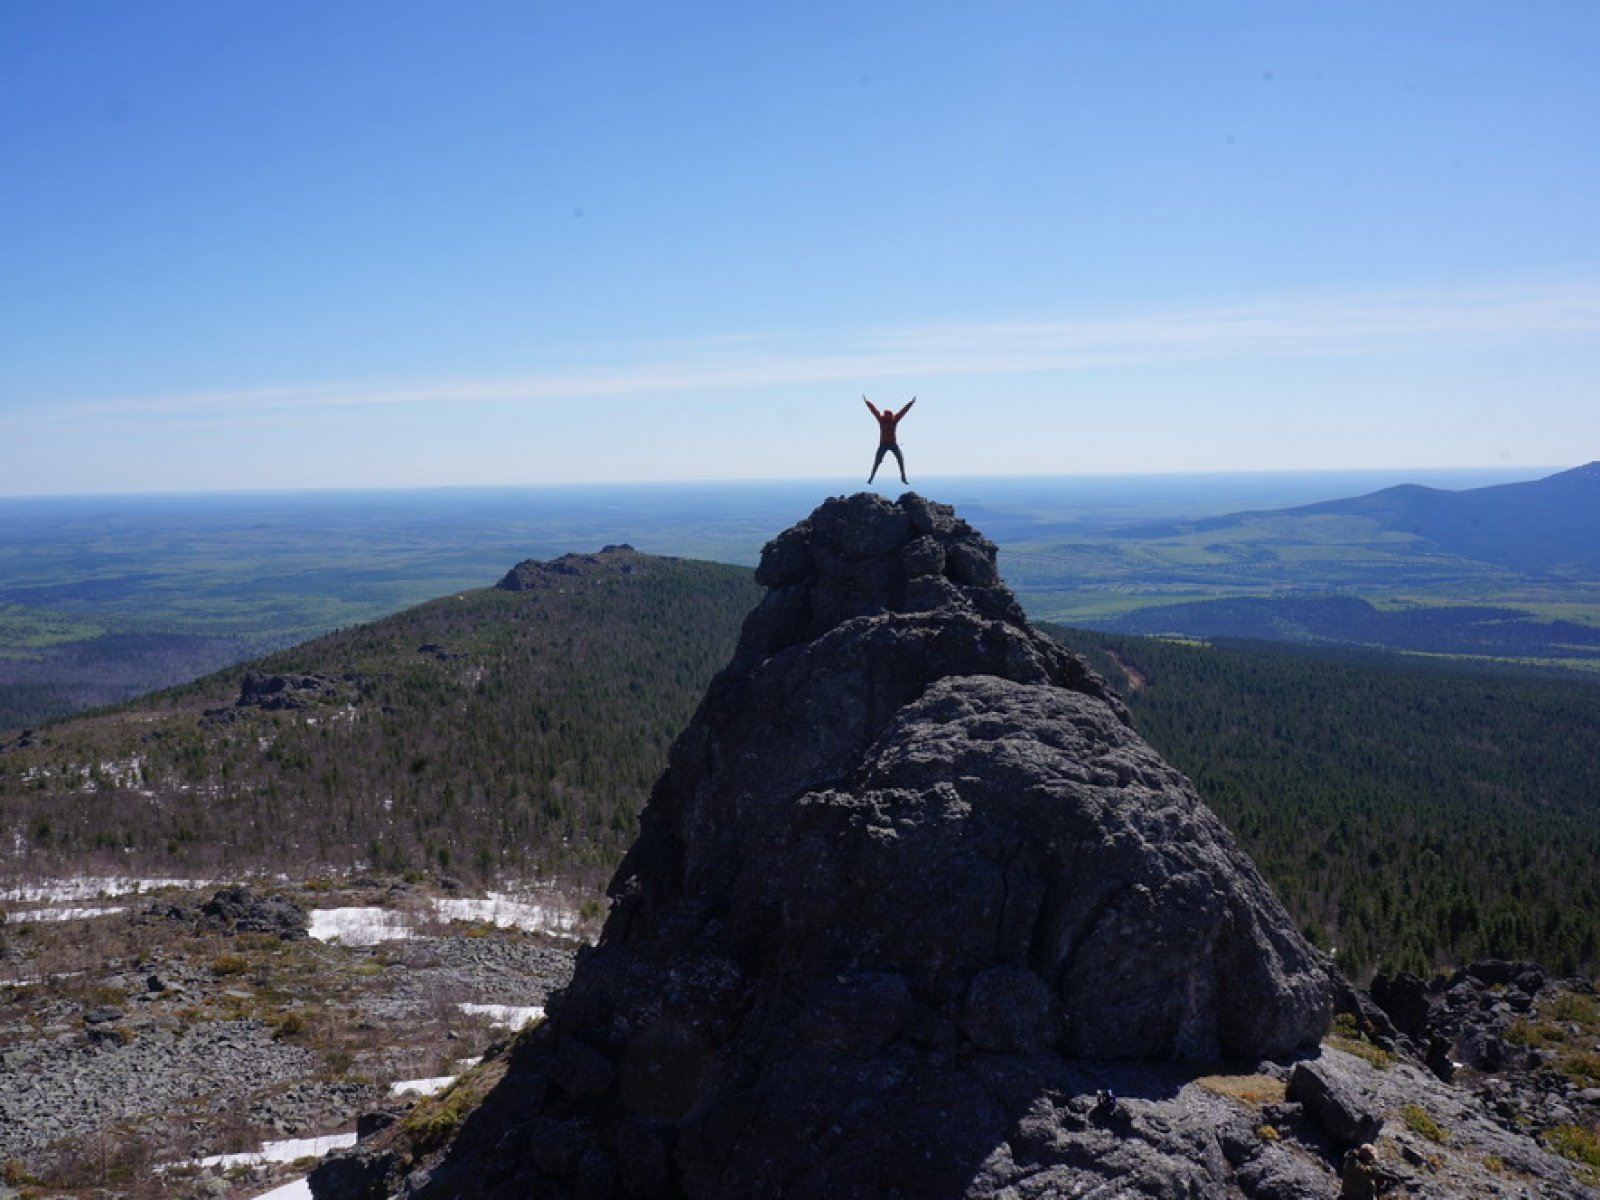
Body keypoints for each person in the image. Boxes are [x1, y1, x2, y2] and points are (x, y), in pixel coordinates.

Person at [864, 394, 915, 484]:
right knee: (877, 461)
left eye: (889, 416)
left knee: (900, 459)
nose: (888, 418)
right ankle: (871, 478)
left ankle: (903, 477)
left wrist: (910, 403)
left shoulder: (894, 419)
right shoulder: (882, 419)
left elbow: (903, 411)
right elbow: (874, 410)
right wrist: (867, 402)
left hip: (892, 444)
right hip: (883, 444)